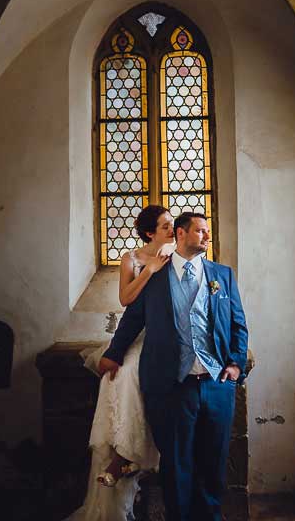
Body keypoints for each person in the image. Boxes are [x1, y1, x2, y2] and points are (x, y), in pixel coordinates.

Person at [98, 212, 248, 521]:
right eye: (200, 231)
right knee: (177, 465)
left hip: (216, 383)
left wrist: (234, 366)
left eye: (208, 231)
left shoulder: (223, 275)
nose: (207, 236)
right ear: (180, 234)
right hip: (171, 386)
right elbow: (132, 319)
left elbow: (238, 325)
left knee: (213, 463)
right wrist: (114, 353)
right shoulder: (153, 277)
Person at [64, 205, 174, 521]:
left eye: (171, 224)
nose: (170, 229)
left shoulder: (173, 255)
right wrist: (150, 270)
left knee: (142, 377)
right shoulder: (133, 258)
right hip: (136, 334)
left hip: (163, 336)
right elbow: (126, 300)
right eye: (165, 225)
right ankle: (124, 452)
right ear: (150, 232)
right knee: (122, 374)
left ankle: (129, 456)